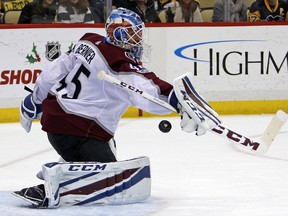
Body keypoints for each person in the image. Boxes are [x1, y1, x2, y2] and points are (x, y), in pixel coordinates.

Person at [13, 8, 220, 208]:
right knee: (112, 181)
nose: (138, 40)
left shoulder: (88, 41)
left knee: (109, 144)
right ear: (121, 34)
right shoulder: (118, 62)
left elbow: (54, 70)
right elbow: (146, 91)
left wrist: (36, 98)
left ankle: (68, 164)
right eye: (135, 35)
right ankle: (53, 185)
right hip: (80, 131)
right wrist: (177, 101)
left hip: (57, 121)